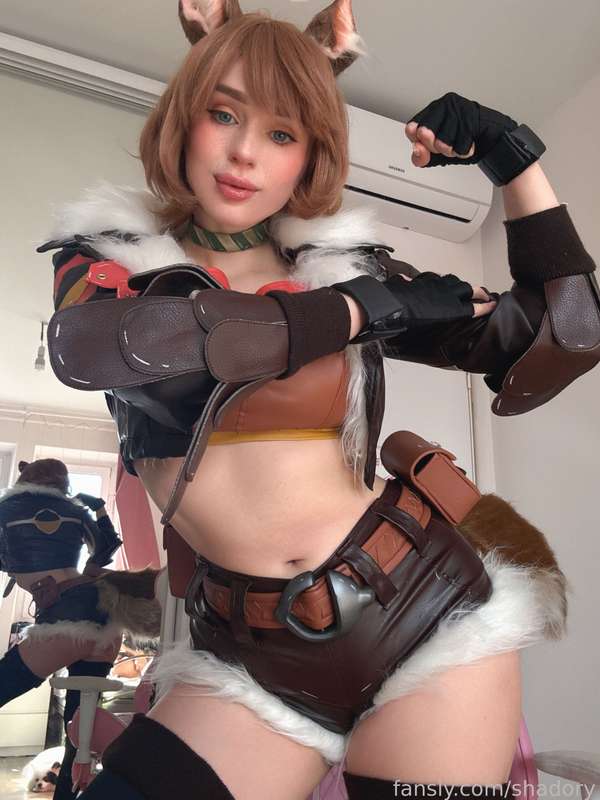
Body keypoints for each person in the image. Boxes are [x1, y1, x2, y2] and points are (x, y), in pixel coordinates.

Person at [36, 2, 598, 798]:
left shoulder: (338, 269)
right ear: (183, 117)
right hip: (250, 655)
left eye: (282, 133)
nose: (244, 152)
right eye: (223, 114)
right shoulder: (107, 259)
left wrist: (514, 159)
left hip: (426, 614)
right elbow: (126, 350)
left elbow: (567, 336)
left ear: (309, 157)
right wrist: (361, 311)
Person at [0, 457, 161, 798]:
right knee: (78, 728)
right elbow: (106, 548)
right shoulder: (76, 511)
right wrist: (99, 508)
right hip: (104, 617)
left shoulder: (7, 508)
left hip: (65, 616)